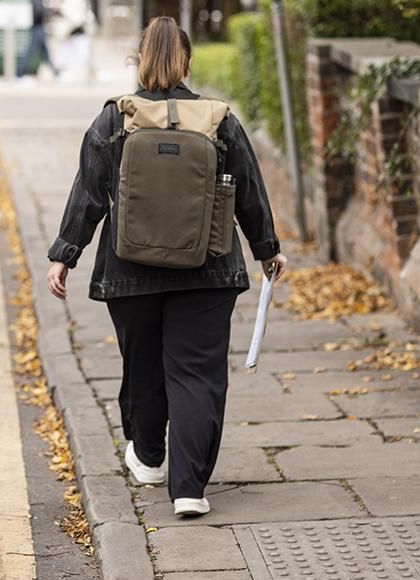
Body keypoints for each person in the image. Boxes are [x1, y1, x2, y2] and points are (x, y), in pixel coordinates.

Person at [45, 16, 287, 517]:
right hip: (208, 268)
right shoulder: (219, 119)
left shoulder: (115, 119)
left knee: (144, 366)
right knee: (197, 375)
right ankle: (190, 489)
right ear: (187, 62)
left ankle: (150, 456)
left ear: (139, 60)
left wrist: (64, 254)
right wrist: (267, 249)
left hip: (130, 271)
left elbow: (89, 192)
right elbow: (248, 191)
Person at [17, 0, 56, 79]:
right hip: (37, 28)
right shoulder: (36, 1)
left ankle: (56, 73)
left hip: (39, 28)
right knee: (29, 52)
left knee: (45, 53)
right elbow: (39, 12)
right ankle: (19, 73)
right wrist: (50, 10)